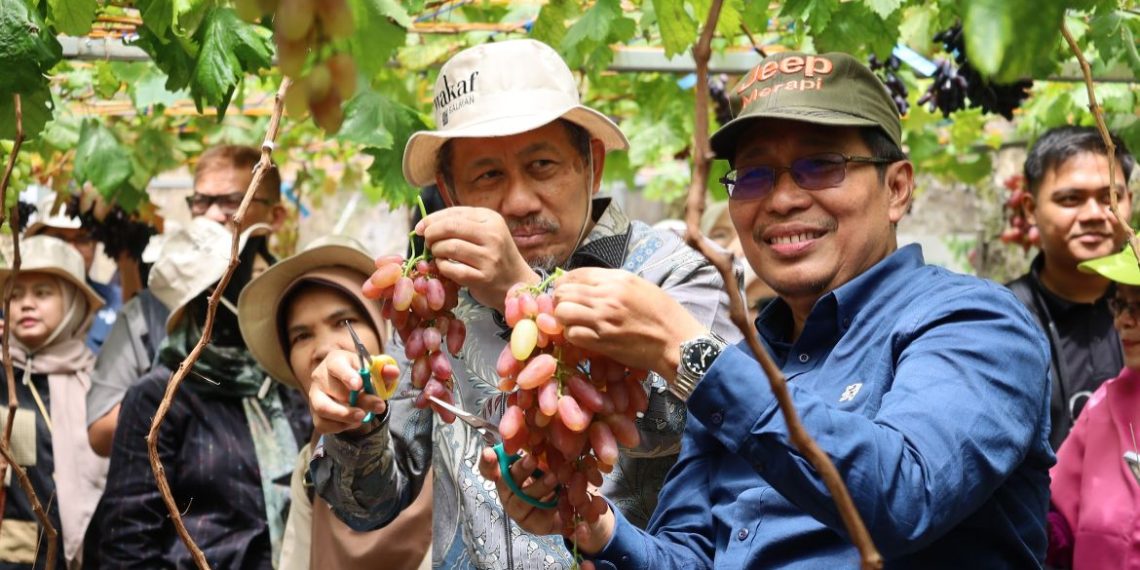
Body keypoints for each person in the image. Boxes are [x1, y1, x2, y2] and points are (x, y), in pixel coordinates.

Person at [483, 51, 1054, 567]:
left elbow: (906, 497)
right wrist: (598, 528)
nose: (782, 199)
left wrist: (684, 349)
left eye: (822, 165)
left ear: (898, 188)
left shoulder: (974, 322)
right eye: (754, 174)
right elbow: (690, 556)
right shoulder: (747, 359)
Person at [307, 38, 740, 568]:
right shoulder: (435, 301)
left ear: (592, 165)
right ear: (450, 187)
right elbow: (371, 504)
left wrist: (524, 294)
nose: (518, 201)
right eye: (488, 176)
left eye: (542, 165)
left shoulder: (674, 273)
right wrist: (356, 425)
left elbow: (710, 420)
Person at [87, 217, 310, 568]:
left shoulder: (281, 383)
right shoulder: (159, 398)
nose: (269, 287)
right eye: (253, 277)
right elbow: (127, 542)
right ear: (214, 303)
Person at [237, 236, 432, 570]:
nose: (325, 348)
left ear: (382, 329)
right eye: (301, 336)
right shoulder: (310, 468)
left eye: (344, 322)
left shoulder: (444, 430)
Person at [86, 144, 287, 457]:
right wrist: (182, 399)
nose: (211, 214)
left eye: (232, 201)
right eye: (201, 201)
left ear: (275, 216)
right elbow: (100, 433)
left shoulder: (294, 302)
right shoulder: (149, 311)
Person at [1007, 126, 1135, 449]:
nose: (1094, 214)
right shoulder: (1002, 317)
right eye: (1070, 199)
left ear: (1129, 202)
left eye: (1110, 198)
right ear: (1029, 209)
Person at [0, 235, 106, 567]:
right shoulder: (2, 377)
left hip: (91, 553)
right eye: (15, 294)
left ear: (73, 301)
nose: (26, 304)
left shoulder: (98, 381)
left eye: (42, 293)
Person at [1048, 245, 1140, 568]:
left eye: (1139, 307)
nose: (1122, 323)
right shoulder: (1104, 403)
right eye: (1120, 305)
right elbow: (1058, 515)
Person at [25, 194, 121, 354]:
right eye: (59, 239)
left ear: (96, 245)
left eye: (82, 239)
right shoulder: (8, 307)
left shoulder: (118, 304)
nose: (71, 249)